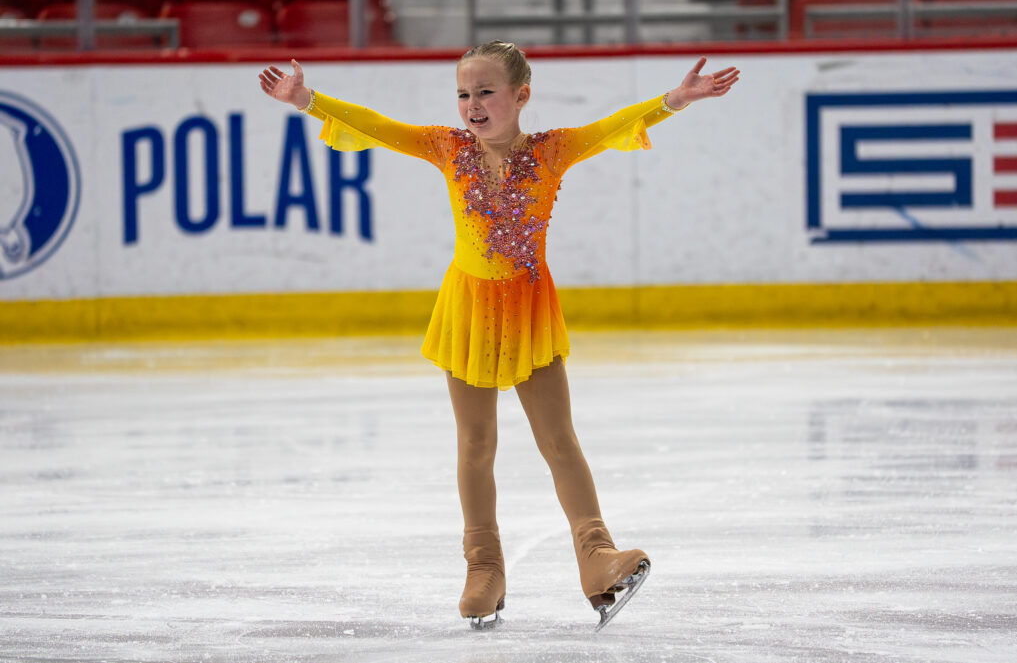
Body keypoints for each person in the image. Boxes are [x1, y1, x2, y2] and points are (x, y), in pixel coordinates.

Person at [259, 41, 738, 630]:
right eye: (464, 94)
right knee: (475, 445)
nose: (473, 105)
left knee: (558, 439)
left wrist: (674, 100)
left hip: (529, 310)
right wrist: (307, 100)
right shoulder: (448, 147)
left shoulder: (552, 151)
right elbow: (378, 127)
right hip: (468, 310)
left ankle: (596, 556)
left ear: (521, 95)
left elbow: (613, 127)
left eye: (486, 92)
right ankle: (483, 568)